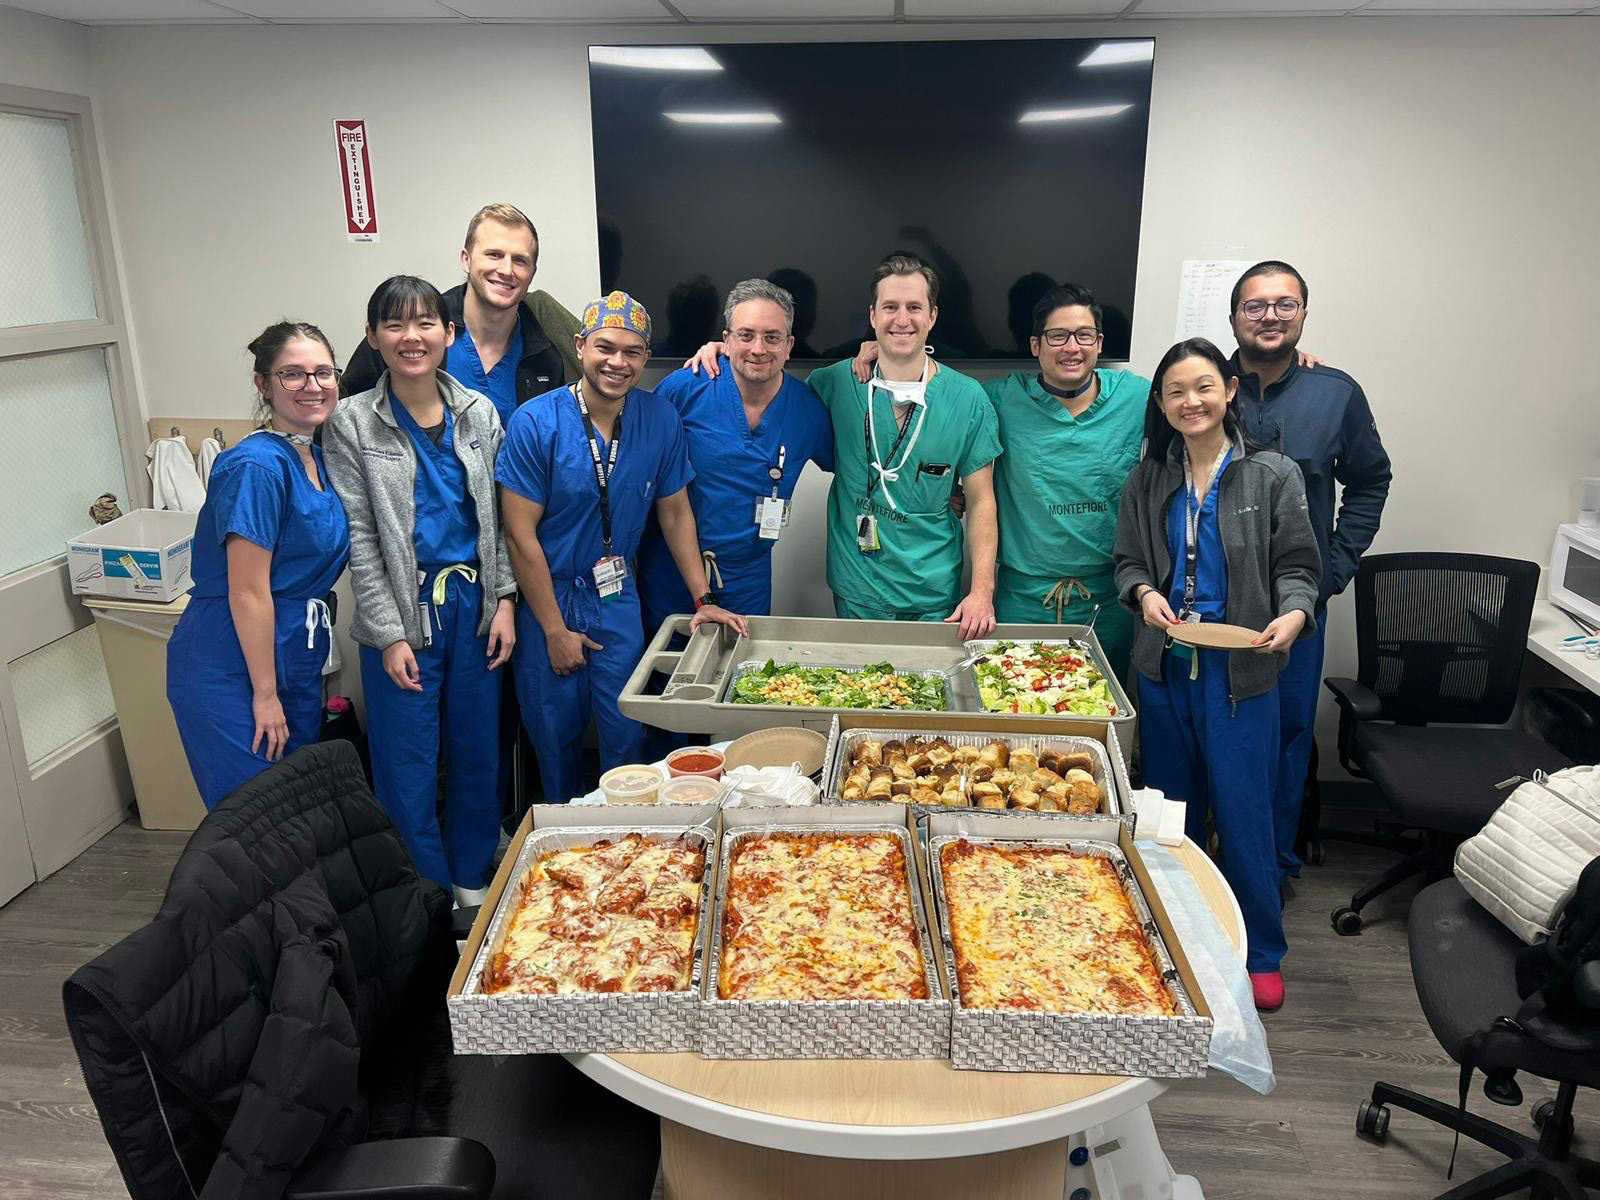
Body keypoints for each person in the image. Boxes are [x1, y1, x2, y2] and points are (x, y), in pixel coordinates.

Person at [1114, 337, 1321, 1012]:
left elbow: (1299, 566)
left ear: (1230, 390)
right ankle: (1178, 941)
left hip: (1241, 677)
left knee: (1245, 814)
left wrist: (1293, 614)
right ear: (1162, 404)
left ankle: (1261, 949)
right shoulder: (1149, 478)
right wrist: (1145, 595)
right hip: (1166, 670)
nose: (1190, 401)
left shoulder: (1272, 475)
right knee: (1170, 820)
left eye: (1203, 387)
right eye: (1175, 392)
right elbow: (1129, 564)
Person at [498, 291, 748, 806]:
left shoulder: (659, 418)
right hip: (552, 595)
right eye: (605, 348)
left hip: (617, 597)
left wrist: (704, 599)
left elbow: (675, 511)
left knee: (627, 731)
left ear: (644, 357)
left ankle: (632, 843)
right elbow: (520, 537)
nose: (618, 362)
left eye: (633, 352)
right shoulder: (535, 422)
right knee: (556, 736)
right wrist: (553, 629)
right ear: (580, 346)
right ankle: (567, 839)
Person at [324, 276, 516, 905]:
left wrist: (506, 600)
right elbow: (359, 537)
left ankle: (471, 879)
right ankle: (424, 897)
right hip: (406, 615)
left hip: (475, 608)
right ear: (374, 337)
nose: (413, 337)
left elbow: (500, 519)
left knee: (477, 750)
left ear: (449, 333)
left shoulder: (478, 413)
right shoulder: (353, 422)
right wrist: (386, 634)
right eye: (396, 325)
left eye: (426, 322)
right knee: (405, 764)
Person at [691, 254, 1000, 635]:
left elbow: (982, 499)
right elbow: (767, 372)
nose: (901, 320)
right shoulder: (834, 384)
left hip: (934, 593)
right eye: (890, 307)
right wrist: (721, 349)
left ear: (932, 316)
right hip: (857, 588)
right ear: (872, 316)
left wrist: (982, 592)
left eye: (914, 307)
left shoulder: (968, 400)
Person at [851, 282, 1145, 677]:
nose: (1071, 347)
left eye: (1083, 335)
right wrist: (881, 351)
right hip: (1021, 596)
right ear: (1035, 346)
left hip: (1109, 600)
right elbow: (938, 399)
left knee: (1101, 709)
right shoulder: (997, 399)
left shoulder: (1139, 398)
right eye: (1057, 336)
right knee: (1012, 705)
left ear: (1099, 343)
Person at [1227, 260, 1392, 883]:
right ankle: (1208, 860)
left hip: (1297, 605)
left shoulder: (1336, 394)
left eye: (1283, 304)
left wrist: (1335, 569)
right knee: (1218, 732)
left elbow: (1372, 481)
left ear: (1303, 313)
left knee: (1287, 735)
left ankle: (1271, 866)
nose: (1270, 316)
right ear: (1235, 316)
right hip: (1214, 602)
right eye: (1255, 305)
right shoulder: (1209, 383)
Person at [167, 321, 349, 808]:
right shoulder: (255, 466)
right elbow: (247, 590)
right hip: (230, 659)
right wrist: (265, 695)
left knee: (297, 809)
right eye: (293, 374)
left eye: (323, 372)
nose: (312, 386)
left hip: (292, 652)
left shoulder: (318, 457)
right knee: (256, 817)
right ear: (263, 385)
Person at [637, 278, 833, 639]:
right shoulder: (684, 389)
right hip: (672, 571)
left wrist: (944, 490)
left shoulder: (808, 412)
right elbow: (638, 472)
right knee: (663, 683)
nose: (758, 348)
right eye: (746, 335)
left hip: (748, 578)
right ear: (725, 340)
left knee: (738, 683)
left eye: (772, 337)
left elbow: (859, 468)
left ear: (789, 345)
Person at [342, 203, 581, 425]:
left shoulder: (547, 350)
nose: (507, 270)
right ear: (466, 260)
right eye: (494, 255)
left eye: (520, 260)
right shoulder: (417, 328)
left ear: (532, 271)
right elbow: (347, 412)